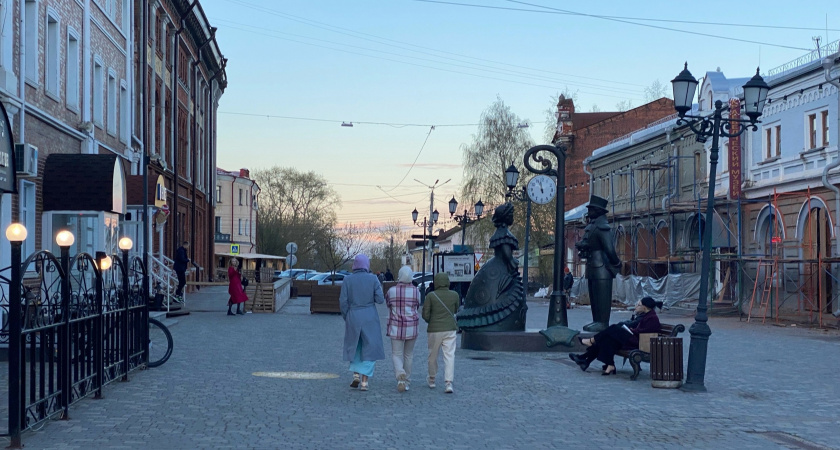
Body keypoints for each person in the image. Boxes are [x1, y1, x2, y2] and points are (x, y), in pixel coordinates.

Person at [569, 296, 663, 375]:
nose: (636, 306)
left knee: (614, 328)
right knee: (607, 340)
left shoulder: (651, 317)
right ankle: (590, 361)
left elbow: (646, 331)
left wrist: (632, 330)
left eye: (639, 305)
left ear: (644, 307)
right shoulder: (647, 315)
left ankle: (590, 345)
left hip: (639, 343)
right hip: (634, 339)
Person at [574, 195, 622, 332]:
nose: (589, 211)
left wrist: (616, 263)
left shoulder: (603, 227)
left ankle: (602, 322)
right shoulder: (592, 226)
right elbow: (589, 242)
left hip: (602, 268)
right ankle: (596, 320)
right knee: (594, 297)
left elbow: (609, 249)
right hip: (592, 266)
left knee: (602, 297)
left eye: (591, 209)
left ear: (598, 211)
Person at [340, 254, 386, 391]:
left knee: (355, 345)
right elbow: (380, 299)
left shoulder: (347, 280)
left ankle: (355, 375)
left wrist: (346, 316)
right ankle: (365, 381)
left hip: (353, 315)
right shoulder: (373, 279)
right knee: (370, 347)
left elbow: (343, 301)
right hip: (369, 316)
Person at [423, 271, 460, 394]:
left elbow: (425, 314)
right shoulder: (454, 295)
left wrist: (431, 320)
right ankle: (448, 383)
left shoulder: (431, 296)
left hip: (434, 330)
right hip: (450, 329)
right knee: (449, 356)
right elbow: (455, 309)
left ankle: (432, 379)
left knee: (432, 355)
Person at [385, 266, 420, 393]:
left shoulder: (391, 291)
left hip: (396, 326)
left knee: (396, 354)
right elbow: (417, 305)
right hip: (412, 327)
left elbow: (388, 304)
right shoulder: (416, 291)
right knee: (408, 355)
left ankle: (400, 374)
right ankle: (406, 381)